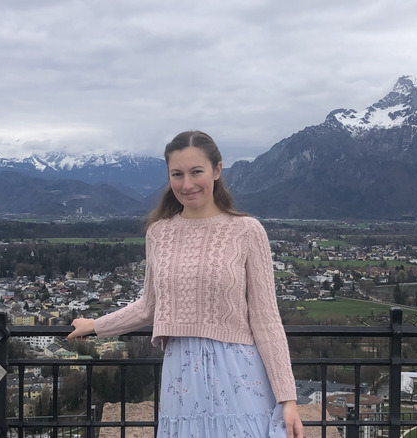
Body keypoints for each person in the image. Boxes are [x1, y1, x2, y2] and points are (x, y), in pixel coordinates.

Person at [68, 130, 304, 438]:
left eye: (196, 172)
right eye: (177, 174)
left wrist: (287, 398)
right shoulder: (159, 233)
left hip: (239, 373)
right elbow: (149, 306)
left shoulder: (248, 231)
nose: (187, 184)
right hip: (180, 375)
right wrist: (96, 325)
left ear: (217, 170)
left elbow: (266, 318)